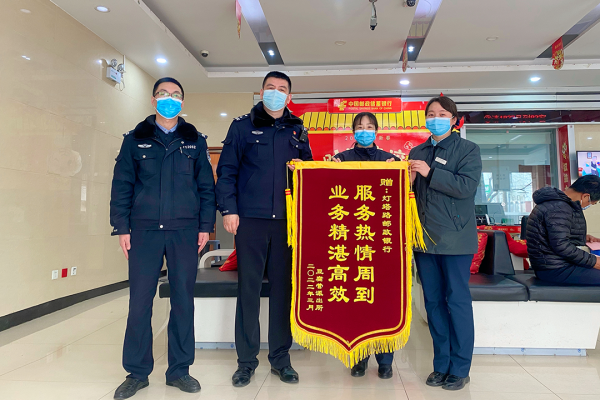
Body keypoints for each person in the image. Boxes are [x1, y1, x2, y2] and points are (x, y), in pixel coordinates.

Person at [110, 77, 216, 399]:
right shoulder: (135, 140)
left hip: (185, 231)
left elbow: (206, 188)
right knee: (139, 302)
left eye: (176, 95)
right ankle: (137, 373)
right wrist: (122, 227)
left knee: (183, 300)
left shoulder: (195, 141)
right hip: (143, 231)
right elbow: (122, 185)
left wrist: (205, 226)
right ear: (153, 99)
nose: (170, 99)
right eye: (163, 94)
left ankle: (179, 370)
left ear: (183, 102)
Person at [216, 71, 313, 387]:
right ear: (261, 92)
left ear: (289, 97)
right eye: (270, 87)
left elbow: (310, 174)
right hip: (250, 221)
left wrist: (303, 170)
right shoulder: (242, 126)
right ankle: (246, 362)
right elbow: (227, 171)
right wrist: (229, 209)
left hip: (287, 224)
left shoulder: (298, 129)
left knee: (283, 291)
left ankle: (281, 360)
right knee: (249, 290)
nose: (275, 92)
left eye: (282, 89)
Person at [408, 96, 482, 391]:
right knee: (434, 303)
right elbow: (410, 196)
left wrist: (430, 173)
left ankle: (460, 368)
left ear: (453, 120)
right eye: (430, 114)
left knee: (457, 301)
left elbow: (466, 187)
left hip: (455, 239)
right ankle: (441, 365)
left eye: (442, 114)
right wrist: (407, 181)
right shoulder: (417, 151)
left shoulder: (467, 149)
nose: (435, 118)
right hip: (424, 240)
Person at [332, 112, 398, 379]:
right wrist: (329, 171)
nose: (364, 130)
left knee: (383, 301)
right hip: (352, 242)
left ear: (377, 131)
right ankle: (359, 358)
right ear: (353, 132)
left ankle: (385, 360)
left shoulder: (389, 160)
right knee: (357, 301)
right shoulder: (341, 159)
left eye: (369, 126)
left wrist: (398, 172)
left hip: (382, 243)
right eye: (360, 127)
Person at [527, 176, 600, 284]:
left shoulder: (555, 204)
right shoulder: (559, 207)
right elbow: (561, 245)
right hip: (554, 269)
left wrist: (583, 238)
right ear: (586, 196)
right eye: (591, 203)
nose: (588, 206)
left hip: (552, 265)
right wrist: (594, 261)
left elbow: (554, 236)